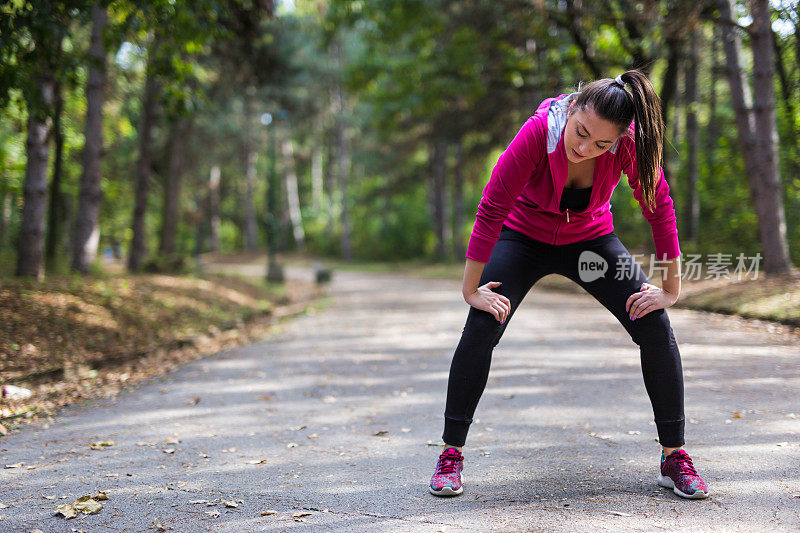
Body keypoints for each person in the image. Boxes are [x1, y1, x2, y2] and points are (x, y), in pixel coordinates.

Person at [428, 70, 709, 500]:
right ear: (572, 107)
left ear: (617, 140)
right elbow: (491, 207)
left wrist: (670, 289)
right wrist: (471, 291)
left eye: (600, 144)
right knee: (483, 325)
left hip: (590, 242)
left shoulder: (629, 145)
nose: (584, 148)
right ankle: (450, 455)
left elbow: (659, 207)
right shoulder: (539, 131)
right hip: (522, 238)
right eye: (580, 133)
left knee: (654, 324)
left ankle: (675, 456)